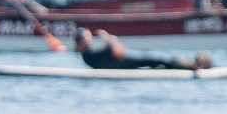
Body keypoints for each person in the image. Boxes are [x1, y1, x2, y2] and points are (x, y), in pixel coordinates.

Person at [74, 28, 212, 71]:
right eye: (87, 37)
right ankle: (195, 65)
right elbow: (118, 52)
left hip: (127, 58)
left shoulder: (89, 54)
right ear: (81, 43)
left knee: (159, 57)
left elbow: (116, 51)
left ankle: (194, 63)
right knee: (160, 58)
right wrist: (109, 38)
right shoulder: (89, 55)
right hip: (126, 59)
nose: (91, 39)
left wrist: (111, 41)